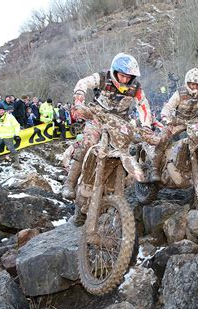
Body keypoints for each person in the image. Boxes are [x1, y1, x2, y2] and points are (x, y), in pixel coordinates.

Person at [62, 53, 154, 204]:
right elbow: (83, 82)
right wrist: (79, 99)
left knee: (126, 149)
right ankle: (69, 184)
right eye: (122, 76)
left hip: (119, 122)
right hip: (98, 116)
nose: (125, 80)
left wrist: (146, 126)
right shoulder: (103, 77)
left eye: (128, 77)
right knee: (88, 142)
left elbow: (143, 105)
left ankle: (117, 186)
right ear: (115, 72)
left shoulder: (136, 87)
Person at [156, 67, 198, 181]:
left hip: (194, 120)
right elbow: (168, 107)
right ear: (187, 83)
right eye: (192, 84)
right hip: (178, 121)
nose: (195, 87)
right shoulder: (180, 92)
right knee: (163, 138)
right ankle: (155, 169)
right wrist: (165, 117)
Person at [0, 104, 21, 168]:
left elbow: (16, 125)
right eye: (0, 110)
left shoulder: (10, 117)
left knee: (11, 148)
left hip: (8, 135)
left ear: (4, 111)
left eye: (2, 110)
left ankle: (17, 162)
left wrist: (17, 134)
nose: (1, 111)